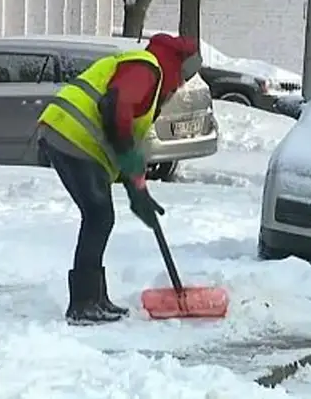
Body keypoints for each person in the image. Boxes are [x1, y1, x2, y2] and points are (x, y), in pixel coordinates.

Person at [36, 33, 202, 325]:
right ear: (177, 66)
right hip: (71, 133)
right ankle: (84, 304)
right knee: (99, 216)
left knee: (100, 216)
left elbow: (127, 142)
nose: (182, 84)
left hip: (76, 138)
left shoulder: (151, 82)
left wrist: (138, 192)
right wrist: (127, 159)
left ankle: (95, 299)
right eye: (185, 75)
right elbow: (114, 107)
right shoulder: (147, 68)